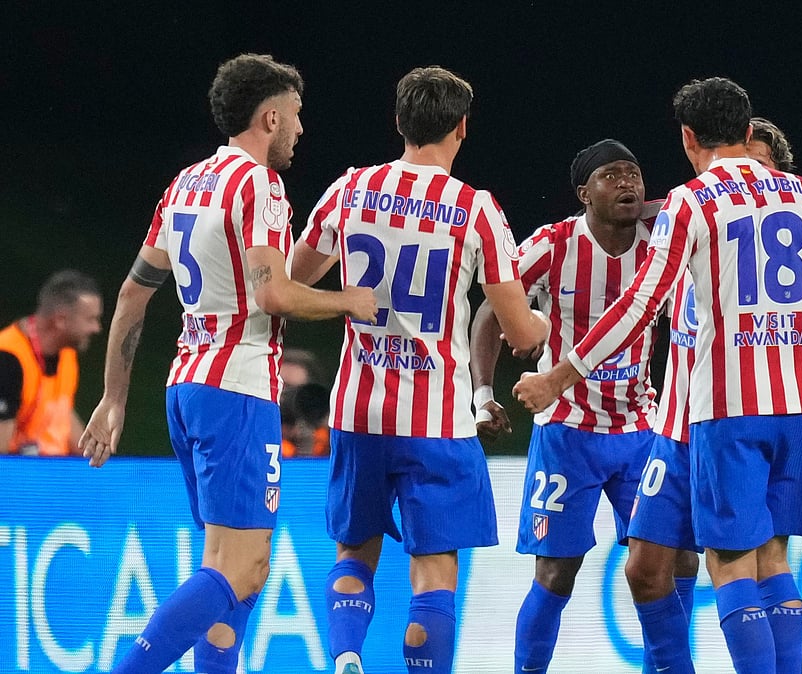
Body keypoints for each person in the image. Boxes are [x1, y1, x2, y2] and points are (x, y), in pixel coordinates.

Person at [513, 77, 802, 674]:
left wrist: (560, 373)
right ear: (743, 130)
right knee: (673, 566)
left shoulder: (692, 204)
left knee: (732, 562)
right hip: (756, 411)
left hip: (722, 412)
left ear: (688, 137)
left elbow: (639, 304)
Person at [79, 53, 377, 674]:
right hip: (238, 388)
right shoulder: (260, 185)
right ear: (269, 117)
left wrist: (113, 396)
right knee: (243, 566)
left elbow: (135, 292)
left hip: (187, 385)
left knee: (229, 565)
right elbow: (275, 293)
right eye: (295, 116)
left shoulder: (186, 183)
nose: (301, 130)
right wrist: (352, 300)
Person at [289, 65, 549, 674]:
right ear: (462, 126)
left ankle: (347, 653)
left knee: (355, 549)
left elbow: (297, 279)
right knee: (435, 566)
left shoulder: (350, 189)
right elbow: (516, 330)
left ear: (399, 122)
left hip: (358, 409)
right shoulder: (475, 208)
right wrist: (542, 323)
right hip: (437, 417)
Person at [470, 139, 683, 674]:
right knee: (557, 572)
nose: (628, 183)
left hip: (641, 428)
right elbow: (492, 311)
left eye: (634, 173)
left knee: (674, 563)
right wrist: (483, 393)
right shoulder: (554, 244)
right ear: (584, 193)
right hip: (568, 431)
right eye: (612, 176)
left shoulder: (664, 242)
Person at [0, 269, 102, 456]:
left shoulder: (65, 354)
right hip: (21, 478)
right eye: (90, 319)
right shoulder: (7, 359)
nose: (96, 328)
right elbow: (2, 450)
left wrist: (95, 461)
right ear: (61, 320)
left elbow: (61, 414)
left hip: (53, 471)